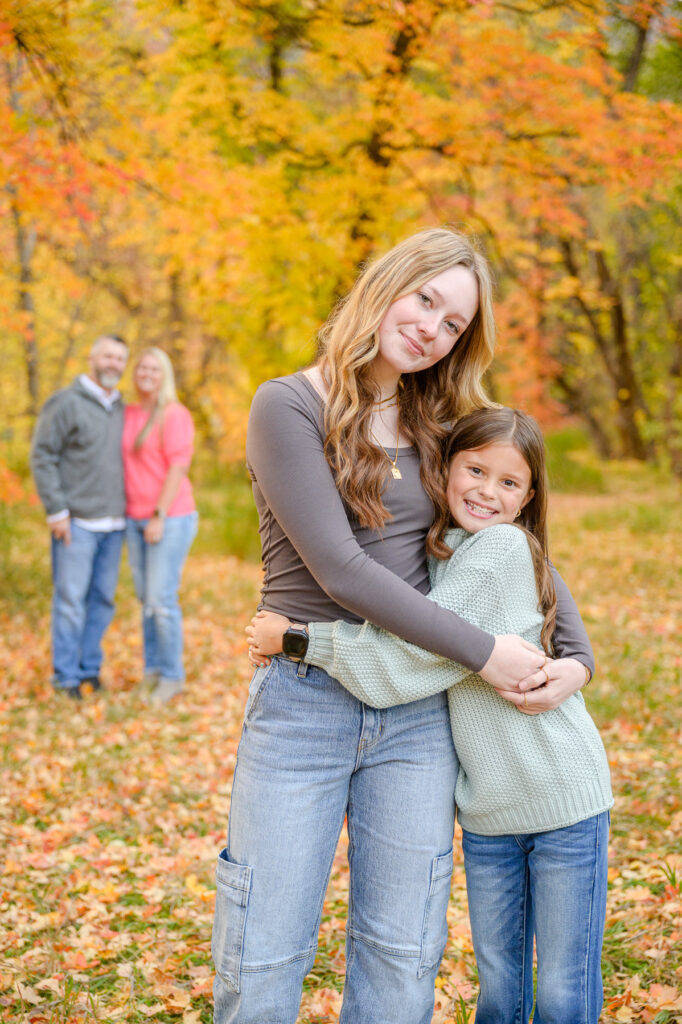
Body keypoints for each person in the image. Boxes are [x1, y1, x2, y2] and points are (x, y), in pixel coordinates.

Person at [212, 227, 594, 1024]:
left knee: (401, 954)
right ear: (390, 283)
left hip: (419, 715)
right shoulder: (288, 405)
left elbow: (507, 532)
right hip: (305, 704)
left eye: (454, 324)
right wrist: (486, 651)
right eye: (427, 299)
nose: (432, 327)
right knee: (266, 949)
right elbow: (340, 570)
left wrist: (577, 653)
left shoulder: (442, 418)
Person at [248, 407, 613, 1024]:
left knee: (560, 989)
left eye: (509, 483)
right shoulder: (445, 553)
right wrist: (581, 660)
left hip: (560, 796)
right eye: (475, 470)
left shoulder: (497, 549)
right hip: (491, 812)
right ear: (444, 470)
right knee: (501, 987)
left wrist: (301, 640)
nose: (486, 491)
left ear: (527, 499)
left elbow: (414, 660)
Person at [30, 335, 129, 700]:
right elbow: (42, 456)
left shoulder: (122, 407)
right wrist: (56, 510)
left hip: (114, 524)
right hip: (75, 523)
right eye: (107, 355)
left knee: (102, 600)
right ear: (92, 357)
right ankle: (66, 677)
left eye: (120, 359)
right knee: (70, 601)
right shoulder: (65, 403)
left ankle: (90, 669)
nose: (113, 364)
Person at [122, 347, 198, 704]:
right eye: (142, 367)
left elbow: (178, 466)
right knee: (145, 600)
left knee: (160, 600)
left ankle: (172, 676)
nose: (147, 373)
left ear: (164, 374)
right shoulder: (129, 413)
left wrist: (159, 514)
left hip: (170, 516)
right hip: (133, 517)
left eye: (154, 368)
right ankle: (152, 671)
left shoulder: (175, 414)